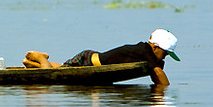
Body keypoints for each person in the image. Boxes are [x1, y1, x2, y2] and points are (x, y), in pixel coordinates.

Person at [22, 28, 180, 85]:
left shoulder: (145, 50)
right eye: (164, 53)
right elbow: (157, 73)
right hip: (88, 61)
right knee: (53, 76)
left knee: (64, 68)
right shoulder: (145, 51)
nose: (164, 57)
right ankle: (41, 58)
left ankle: (33, 63)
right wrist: (165, 91)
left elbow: (156, 69)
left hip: (90, 58)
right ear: (155, 47)